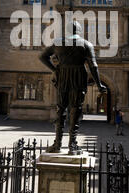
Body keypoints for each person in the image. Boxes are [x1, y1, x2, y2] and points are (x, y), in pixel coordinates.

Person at [39, 21, 107, 155]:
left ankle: (57, 144)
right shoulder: (86, 44)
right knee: (75, 110)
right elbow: (93, 66)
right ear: (80, 31)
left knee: (61, 109)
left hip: (62, 76)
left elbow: (42, 57)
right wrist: (99, 84)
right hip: (78, 76)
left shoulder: (58, 42)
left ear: (68, 31)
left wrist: (55, 70)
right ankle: (72, 145)